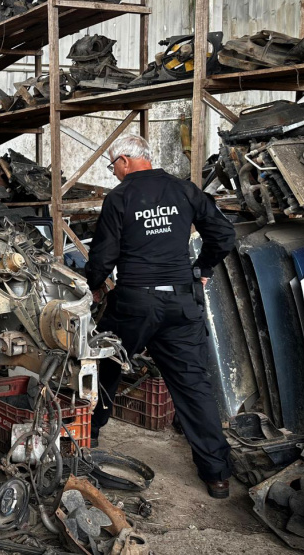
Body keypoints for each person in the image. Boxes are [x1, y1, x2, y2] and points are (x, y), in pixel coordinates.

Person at [84, 134, 236, 499]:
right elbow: (224, 235)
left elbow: (103, 258)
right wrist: (202, 268)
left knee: (104, 363)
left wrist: (88, 286)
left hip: (134, 303)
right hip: (180, 304)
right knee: (193, 385)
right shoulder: (184, 190)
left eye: (112, 165)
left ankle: (86, 440)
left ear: (124, 161)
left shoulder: (119, 198)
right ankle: (216, 476)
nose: (114, 172)